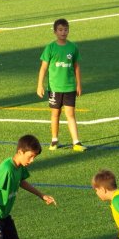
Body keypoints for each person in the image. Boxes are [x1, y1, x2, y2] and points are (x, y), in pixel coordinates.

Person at [36, 18, 87, 151]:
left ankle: (76, 142)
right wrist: (40, 85)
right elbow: (43, 68)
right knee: (55, 114)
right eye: (60, 30)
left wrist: (78, 84)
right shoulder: (50, 48)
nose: (63, 32)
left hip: (69, 87)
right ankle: (54, 140)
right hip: (55, 88)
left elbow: (76, 67)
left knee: (70, 114)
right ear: (55, 32)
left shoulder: (73, 47)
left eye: (65, 29)